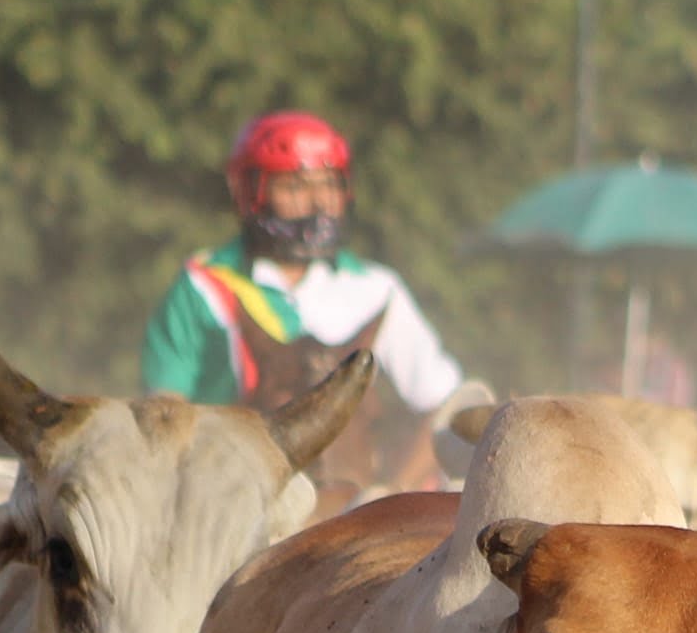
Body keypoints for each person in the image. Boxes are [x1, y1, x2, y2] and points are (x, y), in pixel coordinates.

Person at [142, 110, 477, 430]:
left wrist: (399, 486)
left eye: (329, 184)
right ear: (250, 192)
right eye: (296, 186)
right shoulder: (204, 285)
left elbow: (443, 404)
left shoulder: (376, 289)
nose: (319, 203)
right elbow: (166, 411)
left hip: (352, 486)